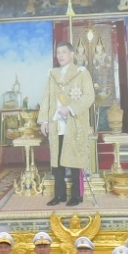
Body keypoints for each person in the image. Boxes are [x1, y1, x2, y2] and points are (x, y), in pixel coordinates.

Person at [42, 39, 97, 207]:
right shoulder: (52, 74)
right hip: (56, 124)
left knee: (75, 160)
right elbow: (47, 98)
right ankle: (59, 195)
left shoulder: (82, 73)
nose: (60, 56)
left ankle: (76, 195)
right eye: (58, 53)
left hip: (74, 124)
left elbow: (89, 96)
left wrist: (70, 108)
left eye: (64, 52)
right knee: (57, 162)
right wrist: (44, 120)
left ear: (72, 54)